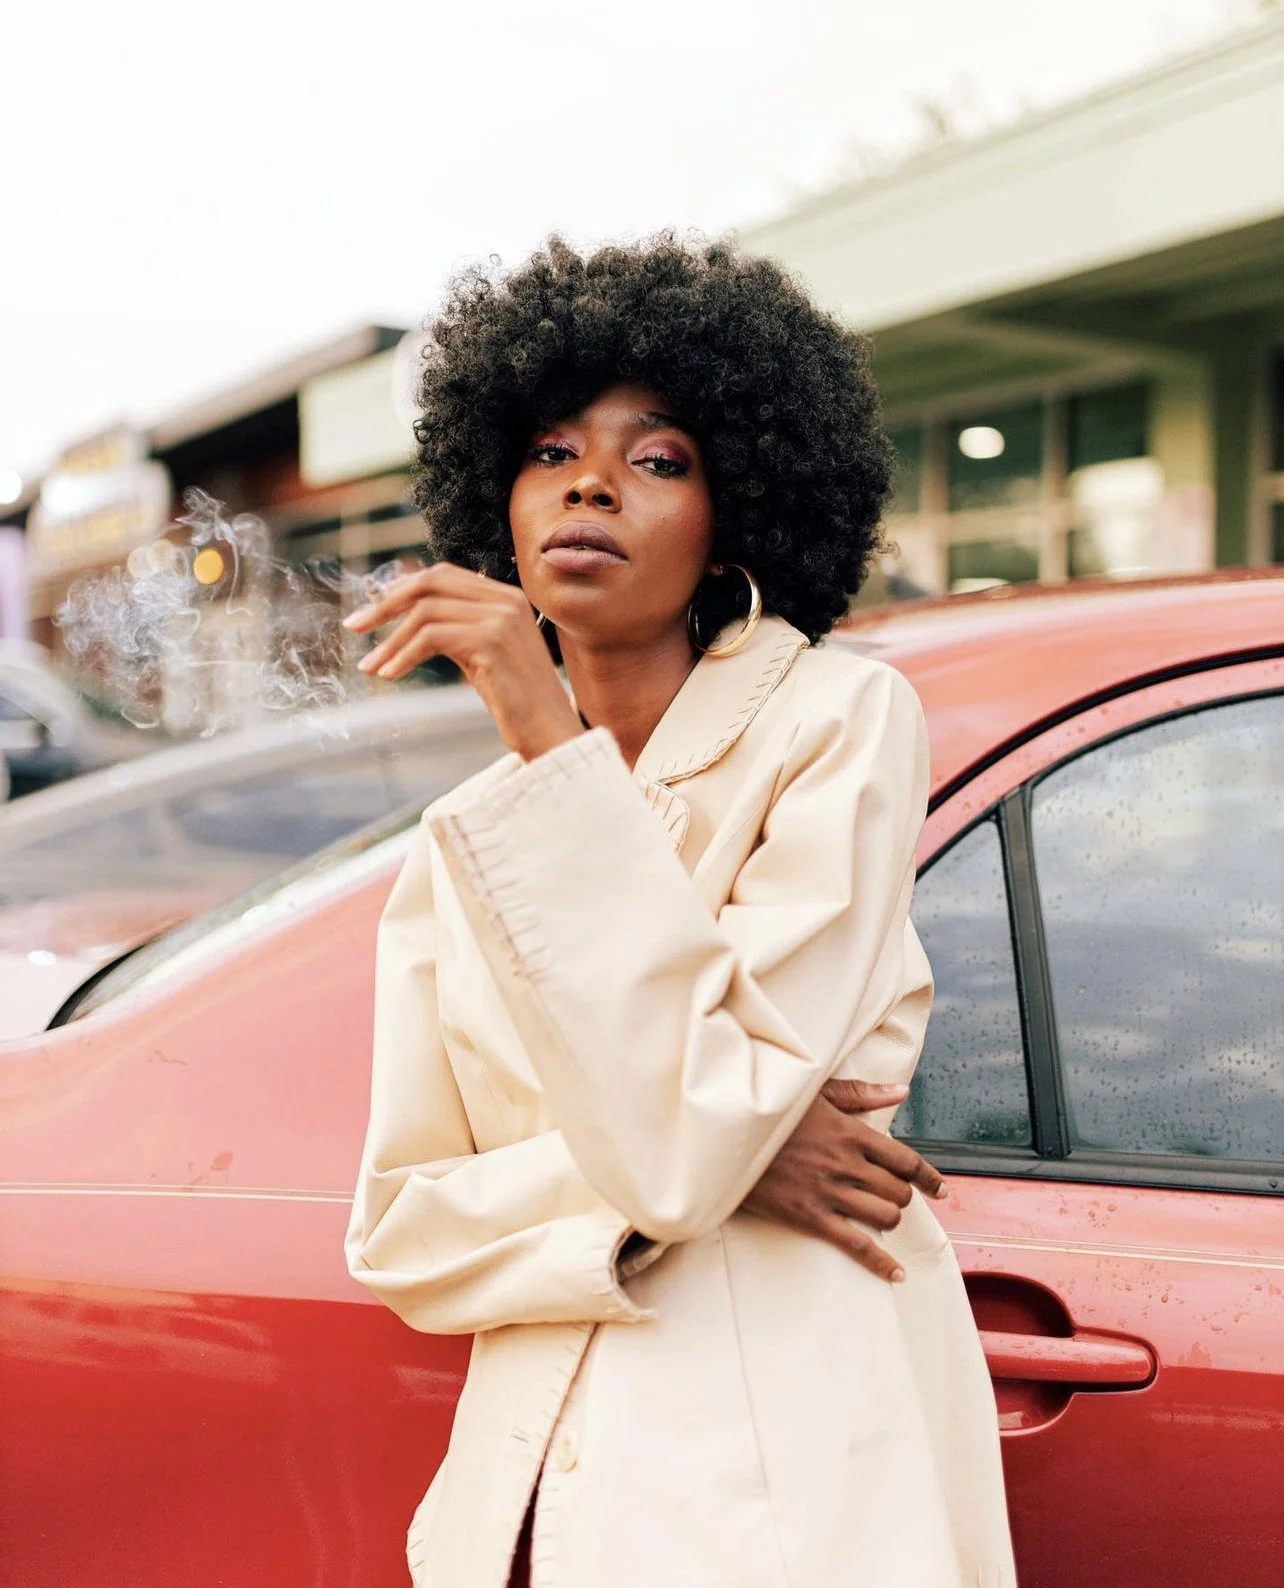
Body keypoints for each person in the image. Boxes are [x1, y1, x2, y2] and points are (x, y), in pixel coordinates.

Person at [344, 235, 1017, 1588]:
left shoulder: (835, 723)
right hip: (531, 1500)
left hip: (778, 1490)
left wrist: (706, 1150)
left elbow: (690, 1143)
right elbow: (404, 1231)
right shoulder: (461, 841)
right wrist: (749, 1157)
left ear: (738, 518)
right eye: (550, 451)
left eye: (658, 459)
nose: (589, 481)